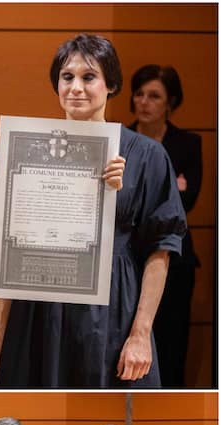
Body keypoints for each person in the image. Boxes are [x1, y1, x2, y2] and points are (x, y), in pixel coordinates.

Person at [0, 35, 185, 388]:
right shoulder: (30, 150)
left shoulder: (145, 155)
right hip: (40, 308)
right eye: (67, 77)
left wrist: (141, 333)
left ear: (110, 84)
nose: (76, 88)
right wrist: (2, 336)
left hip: (112, 309)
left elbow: (163, 247)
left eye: (88, 77)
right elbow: (14, 248)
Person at [128, 65, 203, 388]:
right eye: (139, 94)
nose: (144, 102)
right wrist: (170, 185)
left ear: (169, 102)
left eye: (154, 96)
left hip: (176, 257)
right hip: (128, 256)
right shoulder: (121, 141)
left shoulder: (186, 143)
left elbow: (186, 202)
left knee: (171, 342)